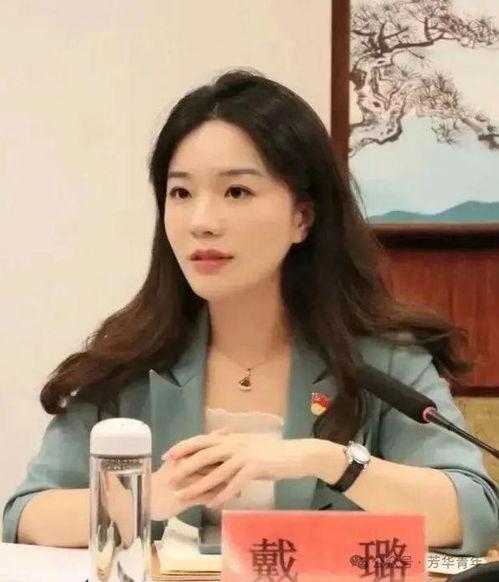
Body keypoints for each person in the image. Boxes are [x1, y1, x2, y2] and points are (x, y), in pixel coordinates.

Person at [2, 69, 498, 555]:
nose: (202, 222)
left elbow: (475, 511)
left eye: (236, 192)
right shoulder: (130, 361)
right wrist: (146, 496)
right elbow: (25, 516)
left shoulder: (380, 358)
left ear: (302, 217)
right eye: (181, 193)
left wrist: (325, 460)